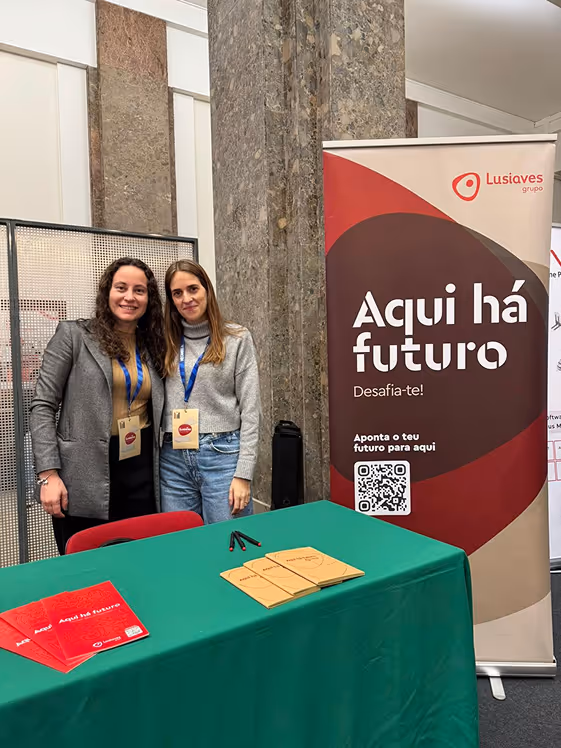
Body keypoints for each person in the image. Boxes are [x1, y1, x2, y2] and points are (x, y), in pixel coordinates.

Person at [30, 257, 166, 555]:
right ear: (107, 292)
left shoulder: (152, 344)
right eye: (121, 287)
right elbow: (42, 405)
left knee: (138, 556)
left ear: (149, 299)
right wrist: (48, 474)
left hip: (140, 467)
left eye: (139, 290)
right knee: (86, 563)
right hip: (83, 472)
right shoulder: (74, 336)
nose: (130, 297)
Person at [160, 260, 260, 523]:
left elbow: (251, 410)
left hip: (222, 455)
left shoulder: (237, 338)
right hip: (173, 458)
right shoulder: (165, 341)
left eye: (193, 289)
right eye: (177, 293)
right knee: (181, 541)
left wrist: (243, 474)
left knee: (227, 540)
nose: (186, 299)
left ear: (207, 290)